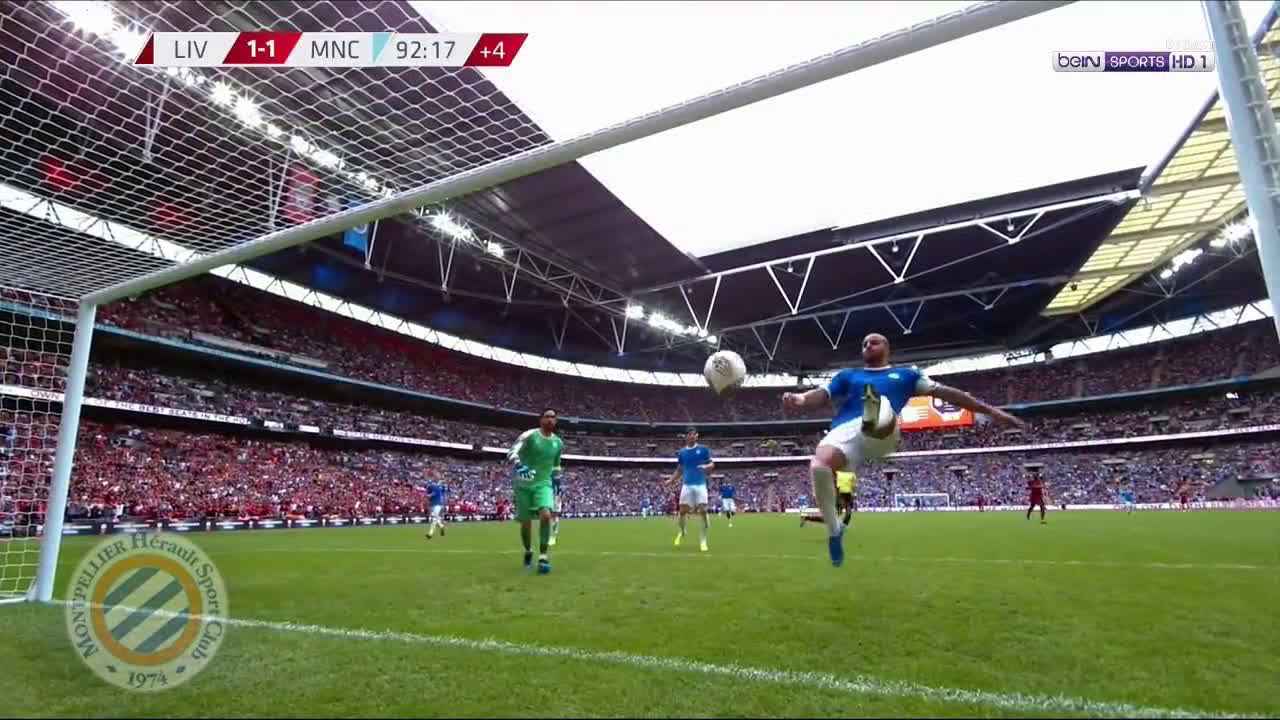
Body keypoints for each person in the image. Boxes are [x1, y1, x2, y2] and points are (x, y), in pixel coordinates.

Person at [782, 332, 1025, 567]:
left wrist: (991, 411)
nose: (868, 346)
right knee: (819, 465)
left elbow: (950, 394)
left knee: (880, 404)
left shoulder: (907, 375)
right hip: (845, 432)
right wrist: (801, 399)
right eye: (865, 344)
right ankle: (835, 532)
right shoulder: (848, 375)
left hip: (883, 430)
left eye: (874, 342)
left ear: (887, 349)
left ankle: (873, 415)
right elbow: (822, 394)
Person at [507, 408, 563, 574]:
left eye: (553, 417)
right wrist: (519, 465)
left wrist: (557, 484)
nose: (550, 419)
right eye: (547, 417)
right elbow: (512, 452)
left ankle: (543, 557)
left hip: (544, 484)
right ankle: (528, 551)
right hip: (524, 484)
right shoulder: (529, 435)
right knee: (526, 522)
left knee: (545, 515)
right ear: (541, 420)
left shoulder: (558, 443)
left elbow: (556, 466)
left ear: (556, 421)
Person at [670, 427, 713, 552]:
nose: (693, 436)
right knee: (682, 511)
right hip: (687, 485)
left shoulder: (703, 450)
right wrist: (671, 479)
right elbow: (680, 469)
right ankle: (683, 531)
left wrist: (706, 467)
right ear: (686, 436)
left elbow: (712, 464)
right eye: (690, 434)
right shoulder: (682, 452)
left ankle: (703, 541)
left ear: (697, 436)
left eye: (694, 434)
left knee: (703, 510)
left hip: (700, 484)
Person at [549, 470, 564, 546]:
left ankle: (553, 535)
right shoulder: (556, 485)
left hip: (555, 499)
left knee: (554, 517)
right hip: (555, 499)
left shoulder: (556, 485)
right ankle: (553, 534)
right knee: (554, 517)